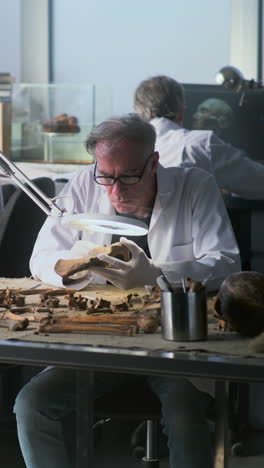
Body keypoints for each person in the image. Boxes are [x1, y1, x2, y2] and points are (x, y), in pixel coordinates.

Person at [14, 113, 240, 468]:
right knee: (32, 404)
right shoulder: (83, 184)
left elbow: (226, 263)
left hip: (174, 343)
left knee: (183, 416)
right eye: (106, 176)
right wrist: (78, 268)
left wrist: (156, 275)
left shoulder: (195, 186)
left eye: (128, 177)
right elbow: (41, 257)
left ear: (153, 162)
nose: (116, 190)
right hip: (99, 337)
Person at [134, 75, 264, 200]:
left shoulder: (132, 149)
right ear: (180, 109)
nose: (196, 116)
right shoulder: (201, 144)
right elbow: (259, 183)